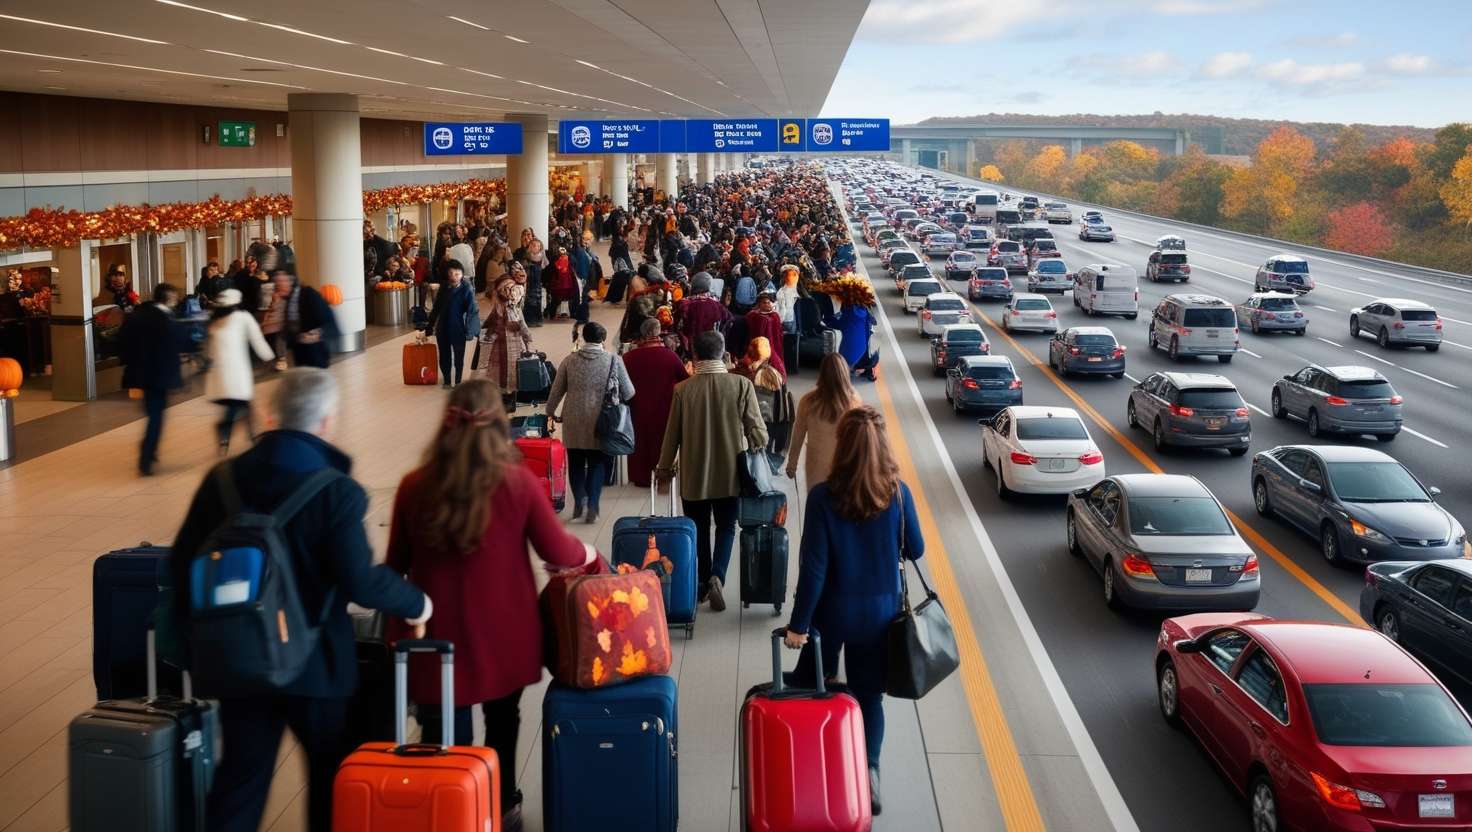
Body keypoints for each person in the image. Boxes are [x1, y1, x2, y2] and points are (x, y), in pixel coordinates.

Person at [169, 368, 433, 832]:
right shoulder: (337, 491)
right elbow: (359, 581)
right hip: (316, 664)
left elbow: (176, 567)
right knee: (330, 773)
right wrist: (416, 603)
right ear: (326, 421)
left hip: (240, 659)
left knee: (241, 779)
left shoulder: (222, 481)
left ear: (270, 415)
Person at [386, 380, 594, 832]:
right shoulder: (517, 482)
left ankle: (453, 805)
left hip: (433, 639)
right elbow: (559, 553)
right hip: (506, 634)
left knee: (447, 728)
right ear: (500, 426)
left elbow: (392, 569)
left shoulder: (414, 486)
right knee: (504, 718)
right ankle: (502, 804)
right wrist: (592, 556)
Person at [783, 406, 924, 817]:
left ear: (842, 447)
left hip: (831, 618)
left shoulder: (824, 498)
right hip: (881, 618)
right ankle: (869, 773)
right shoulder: (898, 493)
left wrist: (799, 626)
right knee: (869, 699)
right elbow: (915, 550)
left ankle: (821, 767)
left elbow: (815, 569)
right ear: (883, 448)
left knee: (812, 688)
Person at [655, 330, 767, 611]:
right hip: (731, 474)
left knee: (699, 528)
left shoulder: (683, 390)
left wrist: (665, 469)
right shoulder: (741, 385)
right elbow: (759, 433)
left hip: (694, 476)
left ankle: (704, 581)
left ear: (694, 357)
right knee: (727, 526)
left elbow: (672, 436)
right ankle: (718, 575)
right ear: (724, 352)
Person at [545, 321, 634, 523]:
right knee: (597, 463)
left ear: (584, 338)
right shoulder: (614, 360)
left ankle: (579, 500)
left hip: (573, 420)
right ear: (603, 340)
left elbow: (556, 391)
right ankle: (593, 503)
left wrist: (550, 411)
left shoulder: (569, 360)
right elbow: (630, 391)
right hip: (601, 420)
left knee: (575, 461)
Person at [118, 283, 186, 475]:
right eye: (174, 296)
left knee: (153, 413)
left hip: (140, 374)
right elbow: (176, 344)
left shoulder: (137, 315)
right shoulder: (166, 319)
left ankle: (151, 450)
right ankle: (146, 456)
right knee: (156, 417)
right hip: (159, 376)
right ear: (168, 297)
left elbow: (123, 340)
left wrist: (130, 363)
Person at [204, 288, 276, 455]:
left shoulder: (214, 322)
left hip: (219, 375)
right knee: (240, 404)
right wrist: (269, 358)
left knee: (240, 405)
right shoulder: (243, 318)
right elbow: (257, 340)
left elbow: (210, 352)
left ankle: (230, 440)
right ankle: (242, 437)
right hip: (237, 373)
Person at [621, 318, 689, 488]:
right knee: (661, 441)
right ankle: (661, 476)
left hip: (636, 408)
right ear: (658, 333)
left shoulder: (628, 358)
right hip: (664, 408)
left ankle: (641, 478)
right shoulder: (670, 356)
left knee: (639, 440)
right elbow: (684, 380)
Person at [786, 353, 860, 487]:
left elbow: (798, 435)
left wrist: (792, 465)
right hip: (845, 471)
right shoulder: (854, 402)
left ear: (822, 375)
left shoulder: (808, 402)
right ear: (845, 374)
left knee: (817, 505)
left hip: (816, 472)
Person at [473, 270, 532, 400]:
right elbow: (519, 324)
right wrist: (526, 336)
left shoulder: (511, 307)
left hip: (513, 344)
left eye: (511, 289)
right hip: (502, 345)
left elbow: (521, 323)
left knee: (511, 369)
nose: (510, 292)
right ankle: (504, 394)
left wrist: (527, 336)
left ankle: (509, 394)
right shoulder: (502, 308)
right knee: (501, 370)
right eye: (507, 289)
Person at [263, 271, 339, 370]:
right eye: (276, 284)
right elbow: (291, 326)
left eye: (281, 282)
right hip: (300, 356)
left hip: (316, 355)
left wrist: (317, 334)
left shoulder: (309, 294)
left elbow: (330, 322)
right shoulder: (288, 300)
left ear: (290, 281)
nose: (278, 287)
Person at [424, 259, 478, 388]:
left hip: (458, 327)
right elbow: (436, 308)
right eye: (451, 274)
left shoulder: (466, 290)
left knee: (459, 355)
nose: (454, 277)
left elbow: (472, 311)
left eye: (457, 274)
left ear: (462, 275)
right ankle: (447, 380)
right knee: (444, 354)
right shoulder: (444, 288)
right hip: (442, 327)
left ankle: (458, 380)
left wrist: (470, 331)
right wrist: (430, 326)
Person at [672, 272, 732, 357]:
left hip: (691, 352)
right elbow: (727, 322)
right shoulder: (718, 305)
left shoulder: (683, 304)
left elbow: (677, 328)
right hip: (713, 351)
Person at [744, 289, 787, 378]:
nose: (767, 304)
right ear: (759, 304)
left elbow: (778, 333)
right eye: (764, 303)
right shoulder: (753, 315)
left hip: (773, 346)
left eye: (769, 302)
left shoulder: (775, 316)